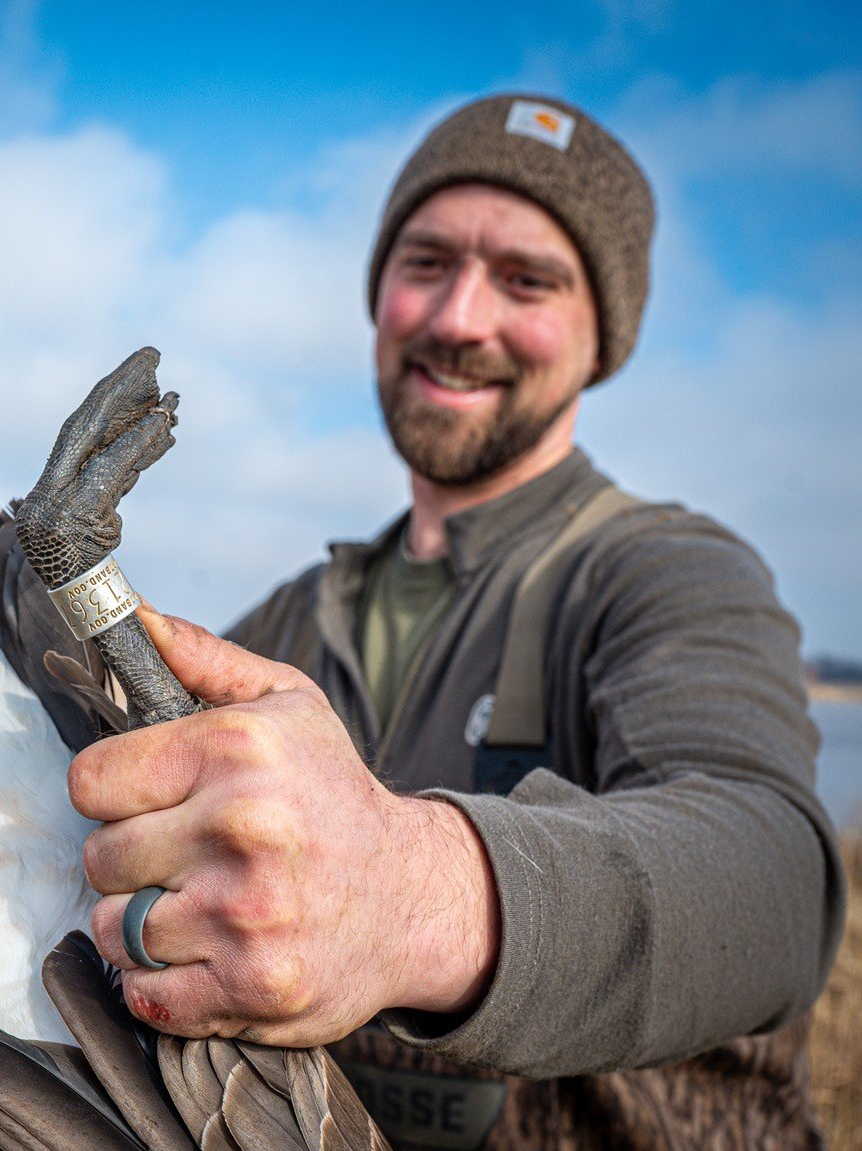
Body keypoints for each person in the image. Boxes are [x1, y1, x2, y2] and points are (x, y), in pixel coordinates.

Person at [71, 95, 844, 1148]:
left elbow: (773, 886)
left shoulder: (668, 571)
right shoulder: (283, 620)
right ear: (379, 290)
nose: (458, 318)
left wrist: (407, 892)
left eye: (525, 280)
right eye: (425, 262)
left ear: (601, 338)